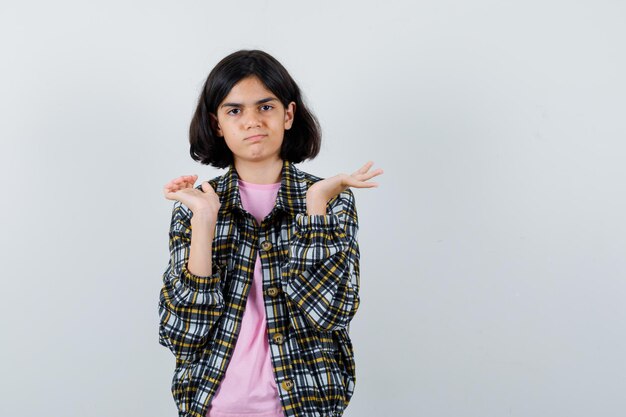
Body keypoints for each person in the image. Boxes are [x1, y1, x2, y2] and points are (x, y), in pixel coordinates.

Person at [158, 49, 383, 417]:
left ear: (288, 114)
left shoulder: (329, 201)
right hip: (212, 406)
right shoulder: (197, 205)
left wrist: (315, 207)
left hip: (304, 406)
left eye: (265, 107)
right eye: (234, 110)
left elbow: (331, 313)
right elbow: (181, 334)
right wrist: (203, 219)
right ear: (217, 123)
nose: (252, 121)